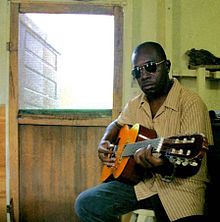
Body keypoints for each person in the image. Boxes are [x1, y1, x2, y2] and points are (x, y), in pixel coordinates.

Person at [74, 41, 213, 222]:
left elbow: (194, 163)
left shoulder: (190, 102)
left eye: (150, 67)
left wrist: (161, 165)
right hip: (141, 184)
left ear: (167, 66)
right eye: (137, 72)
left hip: (181, 188)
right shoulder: (134, 104)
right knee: (86, 204)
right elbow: (116, 124)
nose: (144, 75)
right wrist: (104, 141)